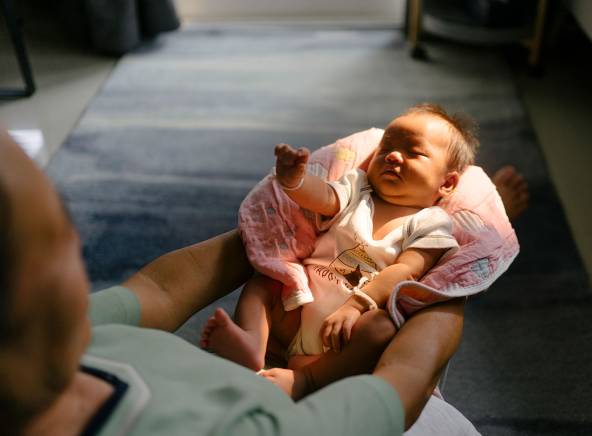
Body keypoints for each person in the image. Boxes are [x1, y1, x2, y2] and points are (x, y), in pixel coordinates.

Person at [1, 126, 503, 435]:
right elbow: (401, 383)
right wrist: (448, 293)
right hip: (316, 371)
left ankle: (260, 359)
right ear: (42, 291)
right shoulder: (248, 429)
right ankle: (270, 357)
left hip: (337, 317)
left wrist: (268, 245)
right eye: (62, 235)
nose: (391, 156)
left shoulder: (80, 331)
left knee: (368, 328)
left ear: (446, 185)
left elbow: (161, 290)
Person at [201, 104, 477, 399]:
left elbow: (406, 270)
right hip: (295, 306)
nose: (394, 156)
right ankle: (253, 344)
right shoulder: (359, 188)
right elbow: (324, 198)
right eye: (387, 148)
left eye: (413, 152)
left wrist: (355, 306)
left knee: (381, 330)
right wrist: (296, 181)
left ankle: (307, 378)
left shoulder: (431, 223)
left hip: (343, 334)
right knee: (264, 282)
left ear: (447, 183)